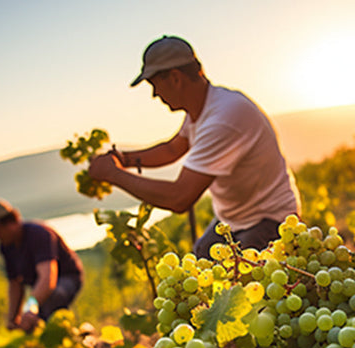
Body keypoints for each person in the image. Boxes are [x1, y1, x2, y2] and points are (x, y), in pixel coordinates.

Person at [87, 35, 300, 259]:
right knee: (202, 256)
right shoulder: (202, 109)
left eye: (154, 84)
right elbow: (172, 149)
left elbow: (179, 197)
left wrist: (113, 175)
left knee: (238, 283)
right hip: (235, 219)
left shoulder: (223, 119)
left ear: (175, 78)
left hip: (270, 219)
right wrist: (124, 159)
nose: (154, 95)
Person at [0, 199, 83, 331]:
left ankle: (63, 334)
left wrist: (30, 308)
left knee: (50, 301)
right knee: (30, 320)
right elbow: (15, 284)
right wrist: (13, 319)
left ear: (9, 223)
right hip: (41, 285)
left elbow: (48, 279)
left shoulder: (39, 234)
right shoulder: (6, 247)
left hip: (66, 279)